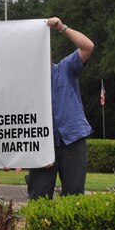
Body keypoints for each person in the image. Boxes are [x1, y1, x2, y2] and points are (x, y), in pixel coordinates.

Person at [27, 17, 95, 200]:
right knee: (39, 198)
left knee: (73, 198)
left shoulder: (65, 68)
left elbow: (88, 46)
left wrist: (62, 27)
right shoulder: (25, 81)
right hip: (41, 144)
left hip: (72, 139)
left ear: (50, 52)